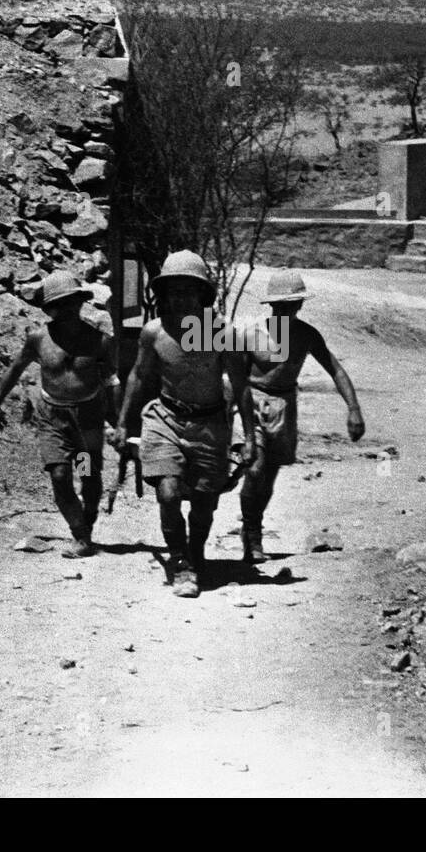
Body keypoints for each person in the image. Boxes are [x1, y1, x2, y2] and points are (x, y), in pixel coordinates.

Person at [111, 251, 255, 598]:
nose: (181, 298)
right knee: (169, 492)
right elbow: (138, 375)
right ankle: (179, 562)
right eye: (173, 291)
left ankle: (197, 551)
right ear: (164, 295)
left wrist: (249, 436)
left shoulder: (222, 332)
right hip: (166, 417)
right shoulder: (153, 333)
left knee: (204, 504)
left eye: (189, 290)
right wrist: (120, 423)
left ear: (203, 294)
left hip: (209, 423)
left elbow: (240, 385)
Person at [239, 270, 365, 564]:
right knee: (254, 469)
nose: (284, 310)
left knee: (269, 475)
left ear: (300, 305)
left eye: (290, 305)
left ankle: (252, 529)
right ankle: (252, 532)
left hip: (285, 404)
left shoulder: (307, 335)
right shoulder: (251, 332)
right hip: (253, 401)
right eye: (279, 305)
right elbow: (237, 377)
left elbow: (335, 369)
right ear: (270, 305)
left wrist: (354, 408)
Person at [0, 270, 119, 559]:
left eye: (72, 301)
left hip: (86, 420)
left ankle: (89, 513)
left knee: (88, 475)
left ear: (80, 302)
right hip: (52, 419)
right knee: (60, 475)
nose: (67, 309)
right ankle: (80, 535)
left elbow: (112, 382)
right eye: (60, 304)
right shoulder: (38, 338)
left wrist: (117, 421)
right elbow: (15, 369)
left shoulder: (99, 340)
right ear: (50, 308)